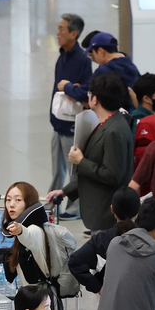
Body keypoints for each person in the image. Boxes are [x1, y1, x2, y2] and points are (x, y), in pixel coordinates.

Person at [51, 74, 135, 232]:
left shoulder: (113, 131)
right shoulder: (107, 124)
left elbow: (112, 174)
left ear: (95, 99)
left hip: (105, 215)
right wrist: (65, 191)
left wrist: (81, 161)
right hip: (100, 213)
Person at [49, 13, 90, 219]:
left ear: (74, 33)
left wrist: (68, 88)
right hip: (58, 124)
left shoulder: (83, 61)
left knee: (73, 170)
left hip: (72, 125)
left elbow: (85, 93)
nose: (58, 33)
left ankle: (75, 209)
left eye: (62, 29)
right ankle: (52, 203)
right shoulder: (62, 56)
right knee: (57, 169)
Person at [68, 187, 141, 293]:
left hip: (111, 299)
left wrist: (98, 288)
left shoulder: (101, 239)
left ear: (112, 209)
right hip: (141, 298)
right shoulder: (145, 238)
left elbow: (75, 262)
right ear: (138, 210)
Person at [61, 31, 138, 104]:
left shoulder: (104, 71)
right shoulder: (131, 65)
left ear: (101, 51)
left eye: (93, 54)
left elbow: (84, 93)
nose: (93, 59)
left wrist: (66, 86)